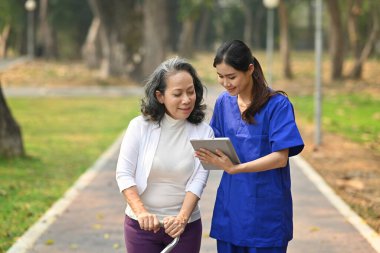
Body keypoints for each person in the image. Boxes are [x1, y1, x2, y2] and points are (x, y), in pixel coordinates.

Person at [195, 40, 304, 253]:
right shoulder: (223, 103)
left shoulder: (277, 105)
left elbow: (280, 158)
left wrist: (236, 168)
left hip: (266, 214)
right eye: (220, 76)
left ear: (250, 70)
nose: (225, 83)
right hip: (231, 209)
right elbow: (213, 142)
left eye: (231, 77)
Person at [115, 57, 213, 253]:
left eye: (191, 91)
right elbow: (124, 173)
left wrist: (182, 219)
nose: (186, 100)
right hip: (141, 227)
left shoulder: (204, 132)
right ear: (160, 96)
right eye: (177, 94)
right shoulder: (139, 127)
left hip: (185, 227)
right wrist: (141, 213)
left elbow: (198, 180)